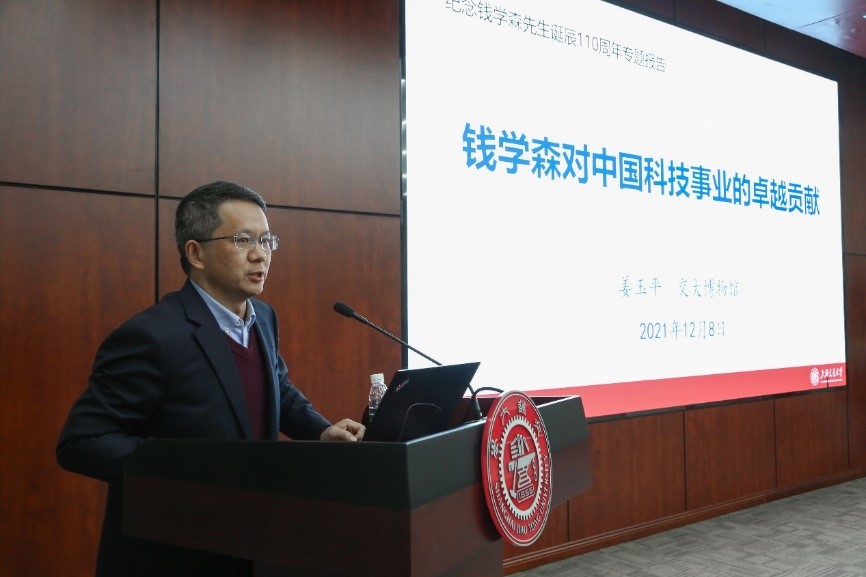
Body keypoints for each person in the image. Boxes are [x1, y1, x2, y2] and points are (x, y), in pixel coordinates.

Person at [56, 181, 365, 577]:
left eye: (266, 240)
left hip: (248, 540)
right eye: (243, 240)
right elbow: (82, 442)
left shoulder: (263, 316)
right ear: (196, 253)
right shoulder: (152, 336)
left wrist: (320, 431)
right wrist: (198, 469)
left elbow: (276, 387)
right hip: (172, 553)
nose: (261, 254)